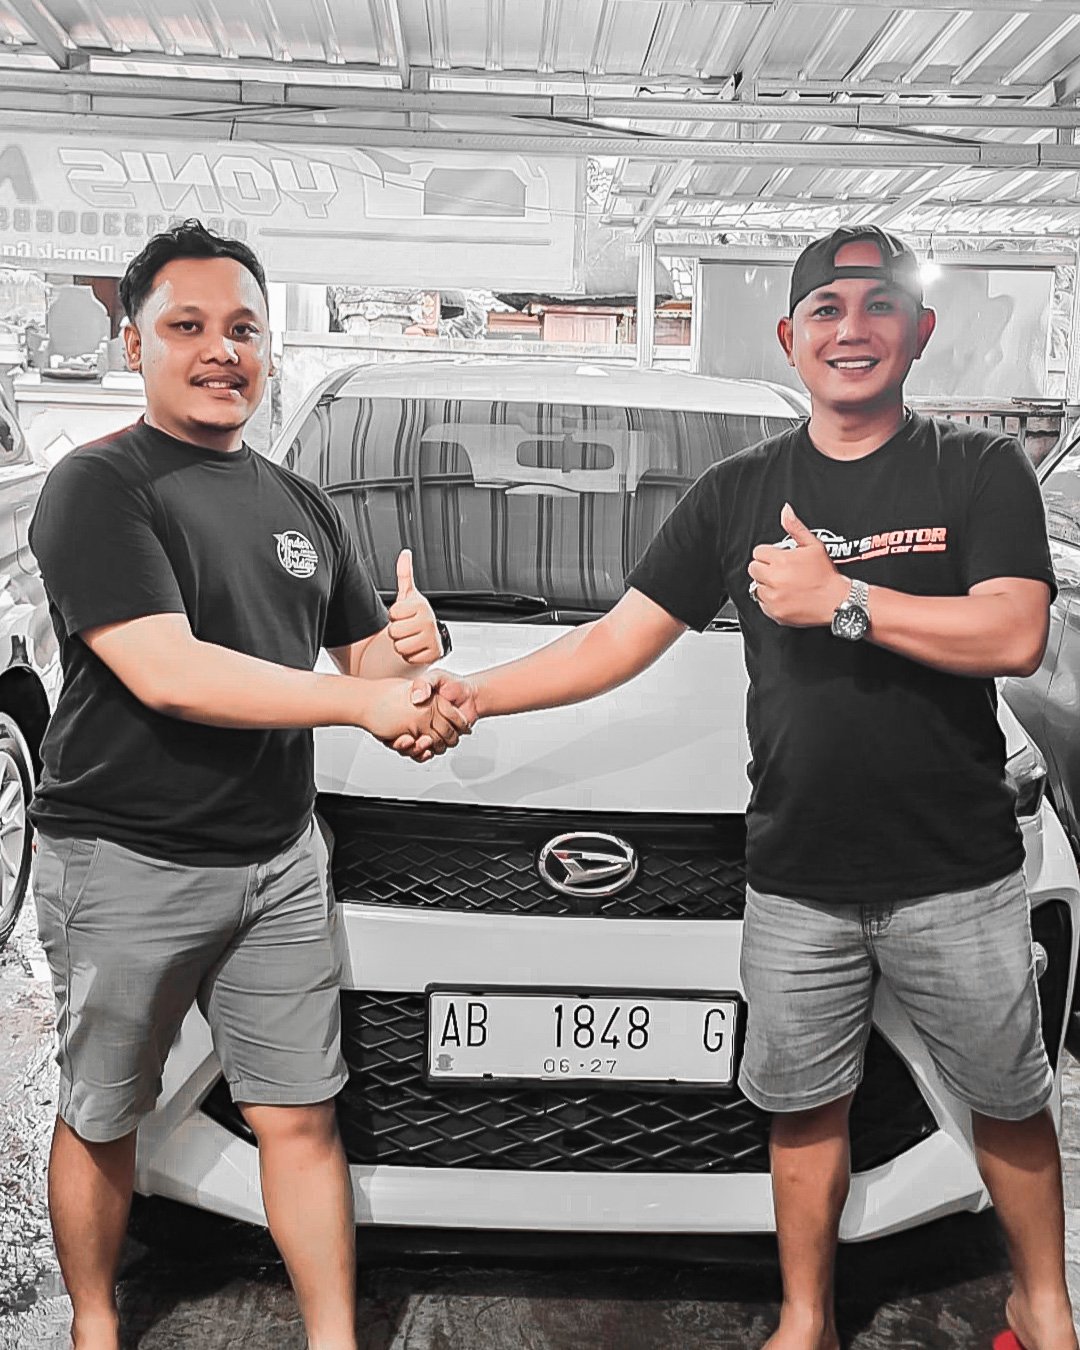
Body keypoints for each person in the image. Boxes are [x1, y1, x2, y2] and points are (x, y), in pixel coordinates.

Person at [418, 226, 1077, 1350]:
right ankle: (805, 1319)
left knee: (1011, 1097)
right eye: (826, 309)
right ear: (790, 335)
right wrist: (474, 694)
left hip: (957, 873)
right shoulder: (738, 491)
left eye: (878, 305)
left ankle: (1044, 1306)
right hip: (796, 879)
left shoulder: (978, 470)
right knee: (803, 1107)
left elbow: (1015, 632)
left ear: (919, 330)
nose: (852, 329)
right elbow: (618, 640)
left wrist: (843, 601)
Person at [28, 219, 468, 1350]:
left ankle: (333, 1338)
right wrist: (362, 704)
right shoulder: (99, 486)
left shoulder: (300, 506)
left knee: (299, 1113)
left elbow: (366, 669)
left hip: (277, 862)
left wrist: (415, 660)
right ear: (135, 343)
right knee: (104, 1112)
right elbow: (167, 671)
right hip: (126, 857)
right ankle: (92, 1326)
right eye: (187, 326)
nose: (221, 350)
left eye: (244, 329)